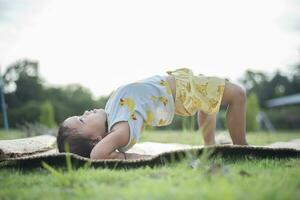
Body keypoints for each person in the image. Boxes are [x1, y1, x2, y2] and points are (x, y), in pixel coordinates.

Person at [56, 68, 248, 160]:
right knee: (238, 94)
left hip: (183, 84)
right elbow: (97, 155)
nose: (85, 112)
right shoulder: (120, 129)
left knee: (209, 104)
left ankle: (210, 147)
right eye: (81, 119)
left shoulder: (112, 114)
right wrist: (125, 157)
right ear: (96, 139)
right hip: (183, 89)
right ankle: (243, 149)